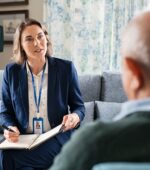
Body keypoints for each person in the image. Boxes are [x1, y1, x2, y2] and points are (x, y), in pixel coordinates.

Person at [50, 10, 150, 170]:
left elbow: (78, 107)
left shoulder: (91, 143)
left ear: (134, 73)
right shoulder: (13, 74)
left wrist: (74, 116)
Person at [0, 18, 85, 170]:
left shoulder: (66, 68)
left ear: (46, 38)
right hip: (24, 139)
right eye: (29, 39)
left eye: (40, 36)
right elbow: (5, 111)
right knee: (5, 154)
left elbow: (79, 107)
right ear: (21, 46)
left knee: (7, 158)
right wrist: (10, 127)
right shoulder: (10, 72)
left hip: (55, 136)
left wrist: (74, 117)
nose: (37, 43)